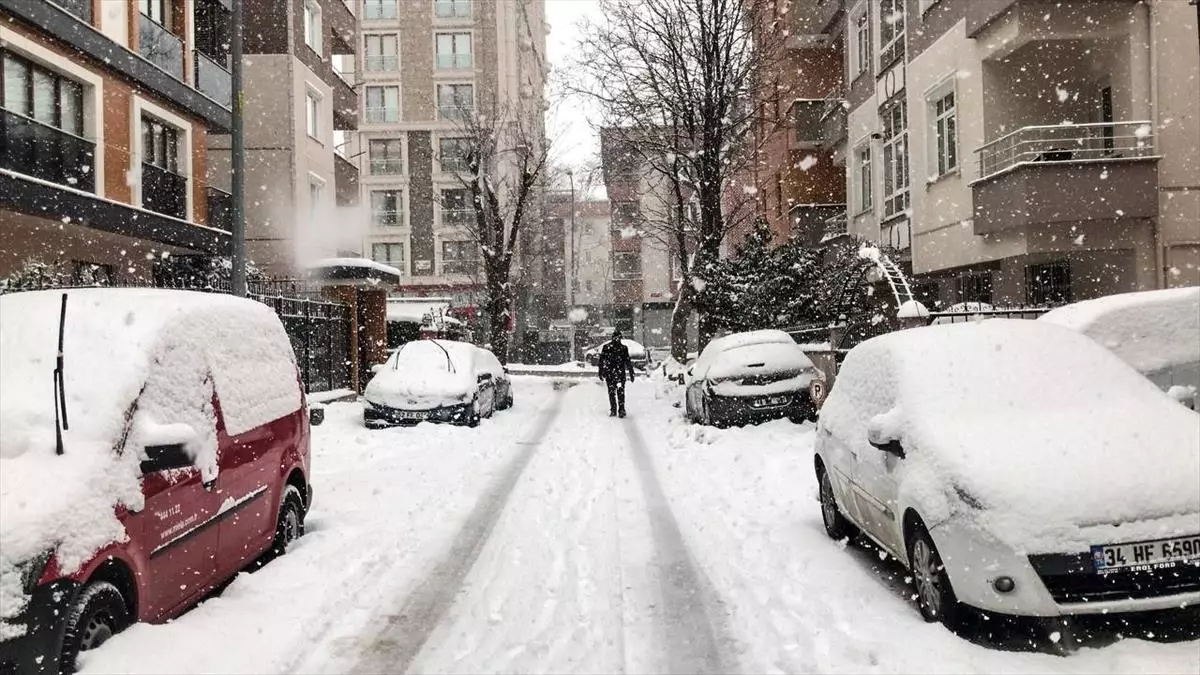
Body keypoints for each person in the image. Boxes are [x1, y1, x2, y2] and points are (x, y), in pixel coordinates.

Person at [597, 330, 636, 417]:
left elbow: (601, 361)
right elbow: (628, 362)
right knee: (619, 392)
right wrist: (631, 373)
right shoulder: (622, 348)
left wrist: (601, 372)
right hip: (618, 373)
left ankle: (615, 409)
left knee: (612, 392)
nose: (617, 339)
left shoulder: (608, 347)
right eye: (617, 338)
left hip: (611, 373)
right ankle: (619, 409)